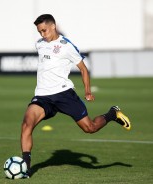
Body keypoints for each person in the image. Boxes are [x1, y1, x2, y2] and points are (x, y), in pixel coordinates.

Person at [20, 14, 131, 177]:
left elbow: (84, 69)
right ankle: (26, 168)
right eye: (39, 32)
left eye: (44, 30)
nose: (42, 35)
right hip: (43, 96)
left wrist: (87, 91)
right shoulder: (39, 44)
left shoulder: (66, 46)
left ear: (53, 26)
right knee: (26, 124)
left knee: (90, 128)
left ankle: (112, 114)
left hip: (64, 94)